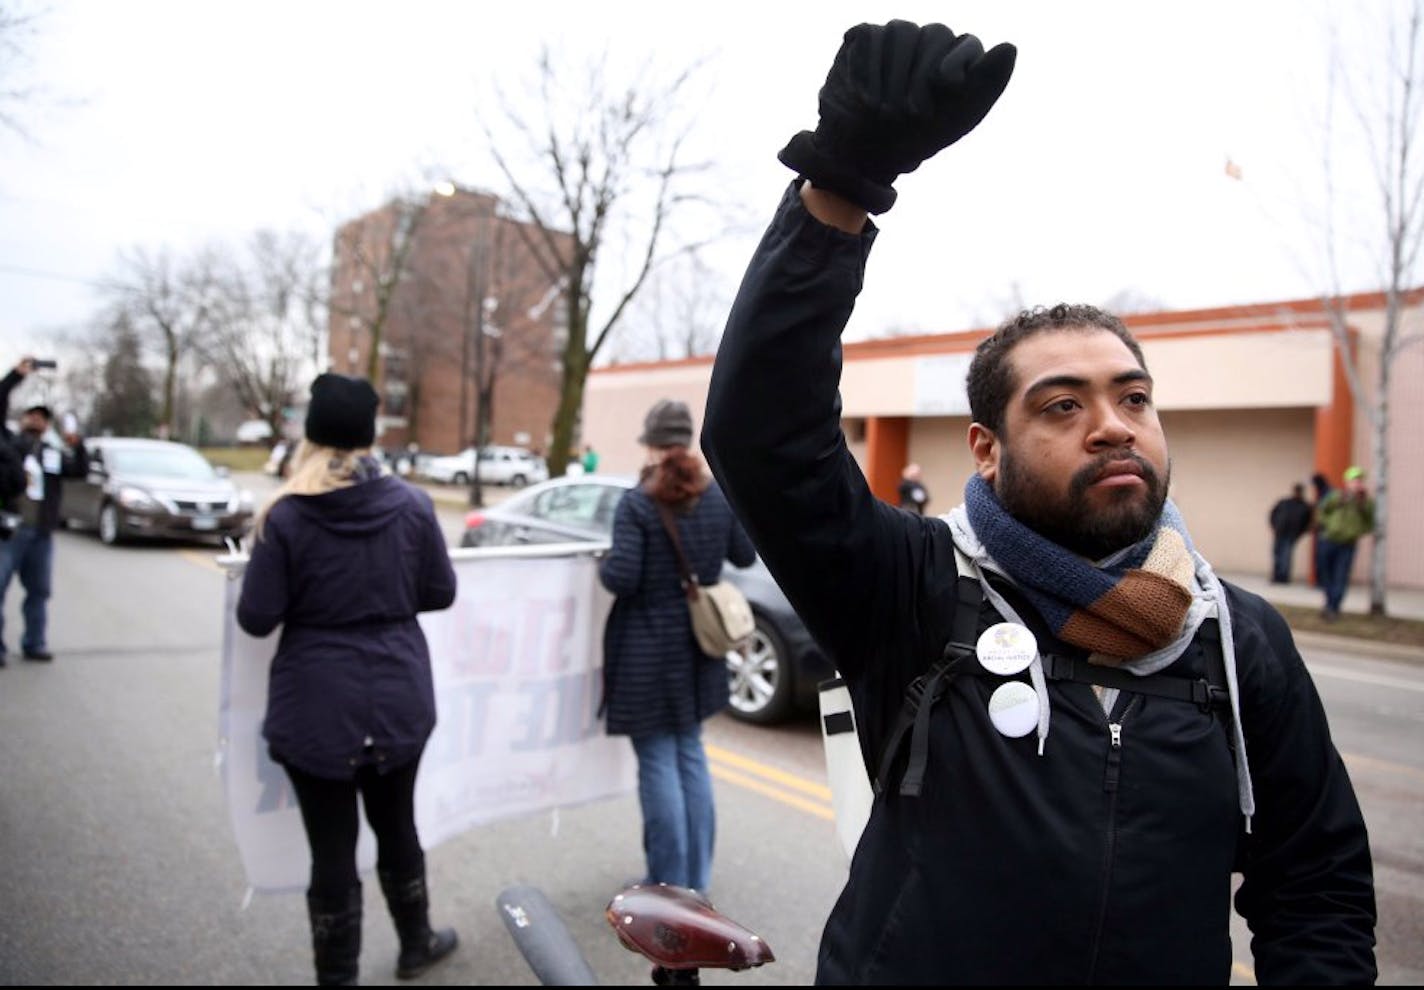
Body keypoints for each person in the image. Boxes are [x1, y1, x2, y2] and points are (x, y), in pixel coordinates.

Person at [700, 19, 1376, 985]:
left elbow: (1316, 885)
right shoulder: (915, 589)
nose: (1113, 425)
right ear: (986, 447)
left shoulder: (1243, 639)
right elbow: (763, 437)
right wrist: (839, 187)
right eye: (1063, 405)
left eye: (1132, 397)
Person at [236, 373, 459, 986]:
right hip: (397, 696)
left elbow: (257, 618)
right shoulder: (412, 506)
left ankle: (338, 979)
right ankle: (417, 943)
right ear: (369, 435)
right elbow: (440, 592)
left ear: (311, 435)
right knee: (397, 827)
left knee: (331, 852)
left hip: (315, 705)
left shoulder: (285, 516)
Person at [597, 398, 755, 897]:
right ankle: (695, 884)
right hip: (697, 648)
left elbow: (621, 578)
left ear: (650, 443)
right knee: (690, 753)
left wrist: (604, 560)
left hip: (646, 650)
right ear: (686, 441)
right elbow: (744, 555)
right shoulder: (715, 494)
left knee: (659, 763)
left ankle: (666, 886)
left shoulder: (639, 501)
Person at [0, 357, 88, 665]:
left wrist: (77, 444)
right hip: (9, 530)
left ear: (48, 424)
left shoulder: (52, 452)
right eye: (31, 416)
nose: (36, 420)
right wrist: (14, 377)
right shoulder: (9, 446)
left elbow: (78, 470)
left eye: (42, 417)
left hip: (41, 533)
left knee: (39, 592)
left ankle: (34, 643)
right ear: (22, 419)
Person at [1315, 465, 1376, 622]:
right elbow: (1322, 511)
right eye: (1354, 480)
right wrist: (1327, 525)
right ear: (1347, 482)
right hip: (1328, 540)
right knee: (1325, 574)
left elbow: (1370, 522)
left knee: (1340, 576)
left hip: (1347, 544)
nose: (1357, 483)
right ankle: (1328, 603)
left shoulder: (1365, 502)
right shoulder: (1336, 496)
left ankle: (1333, 608)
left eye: (1359, 480)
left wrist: (1358, 531)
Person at [1267, 481, 1313, 584]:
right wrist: (1274, 526)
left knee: (1286, 556)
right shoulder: (1284, 502)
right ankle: (1276, 576)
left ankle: (1283, 578)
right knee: (1277, 554)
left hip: (1291, 535)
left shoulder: (1304, 506)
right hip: (1279, 532)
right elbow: (1273, 513)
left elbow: (1307, 523)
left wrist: (1299, 533)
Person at [1309, 470, 1333, 587]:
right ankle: (1321, 581)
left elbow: (1325, 513)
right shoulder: (1322, 493)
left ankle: (1323, 582)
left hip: (1327, 532)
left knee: (1325, 559)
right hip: (1322, 531)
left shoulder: (1328, 495)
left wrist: (1319, 523)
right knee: (1320, 558)